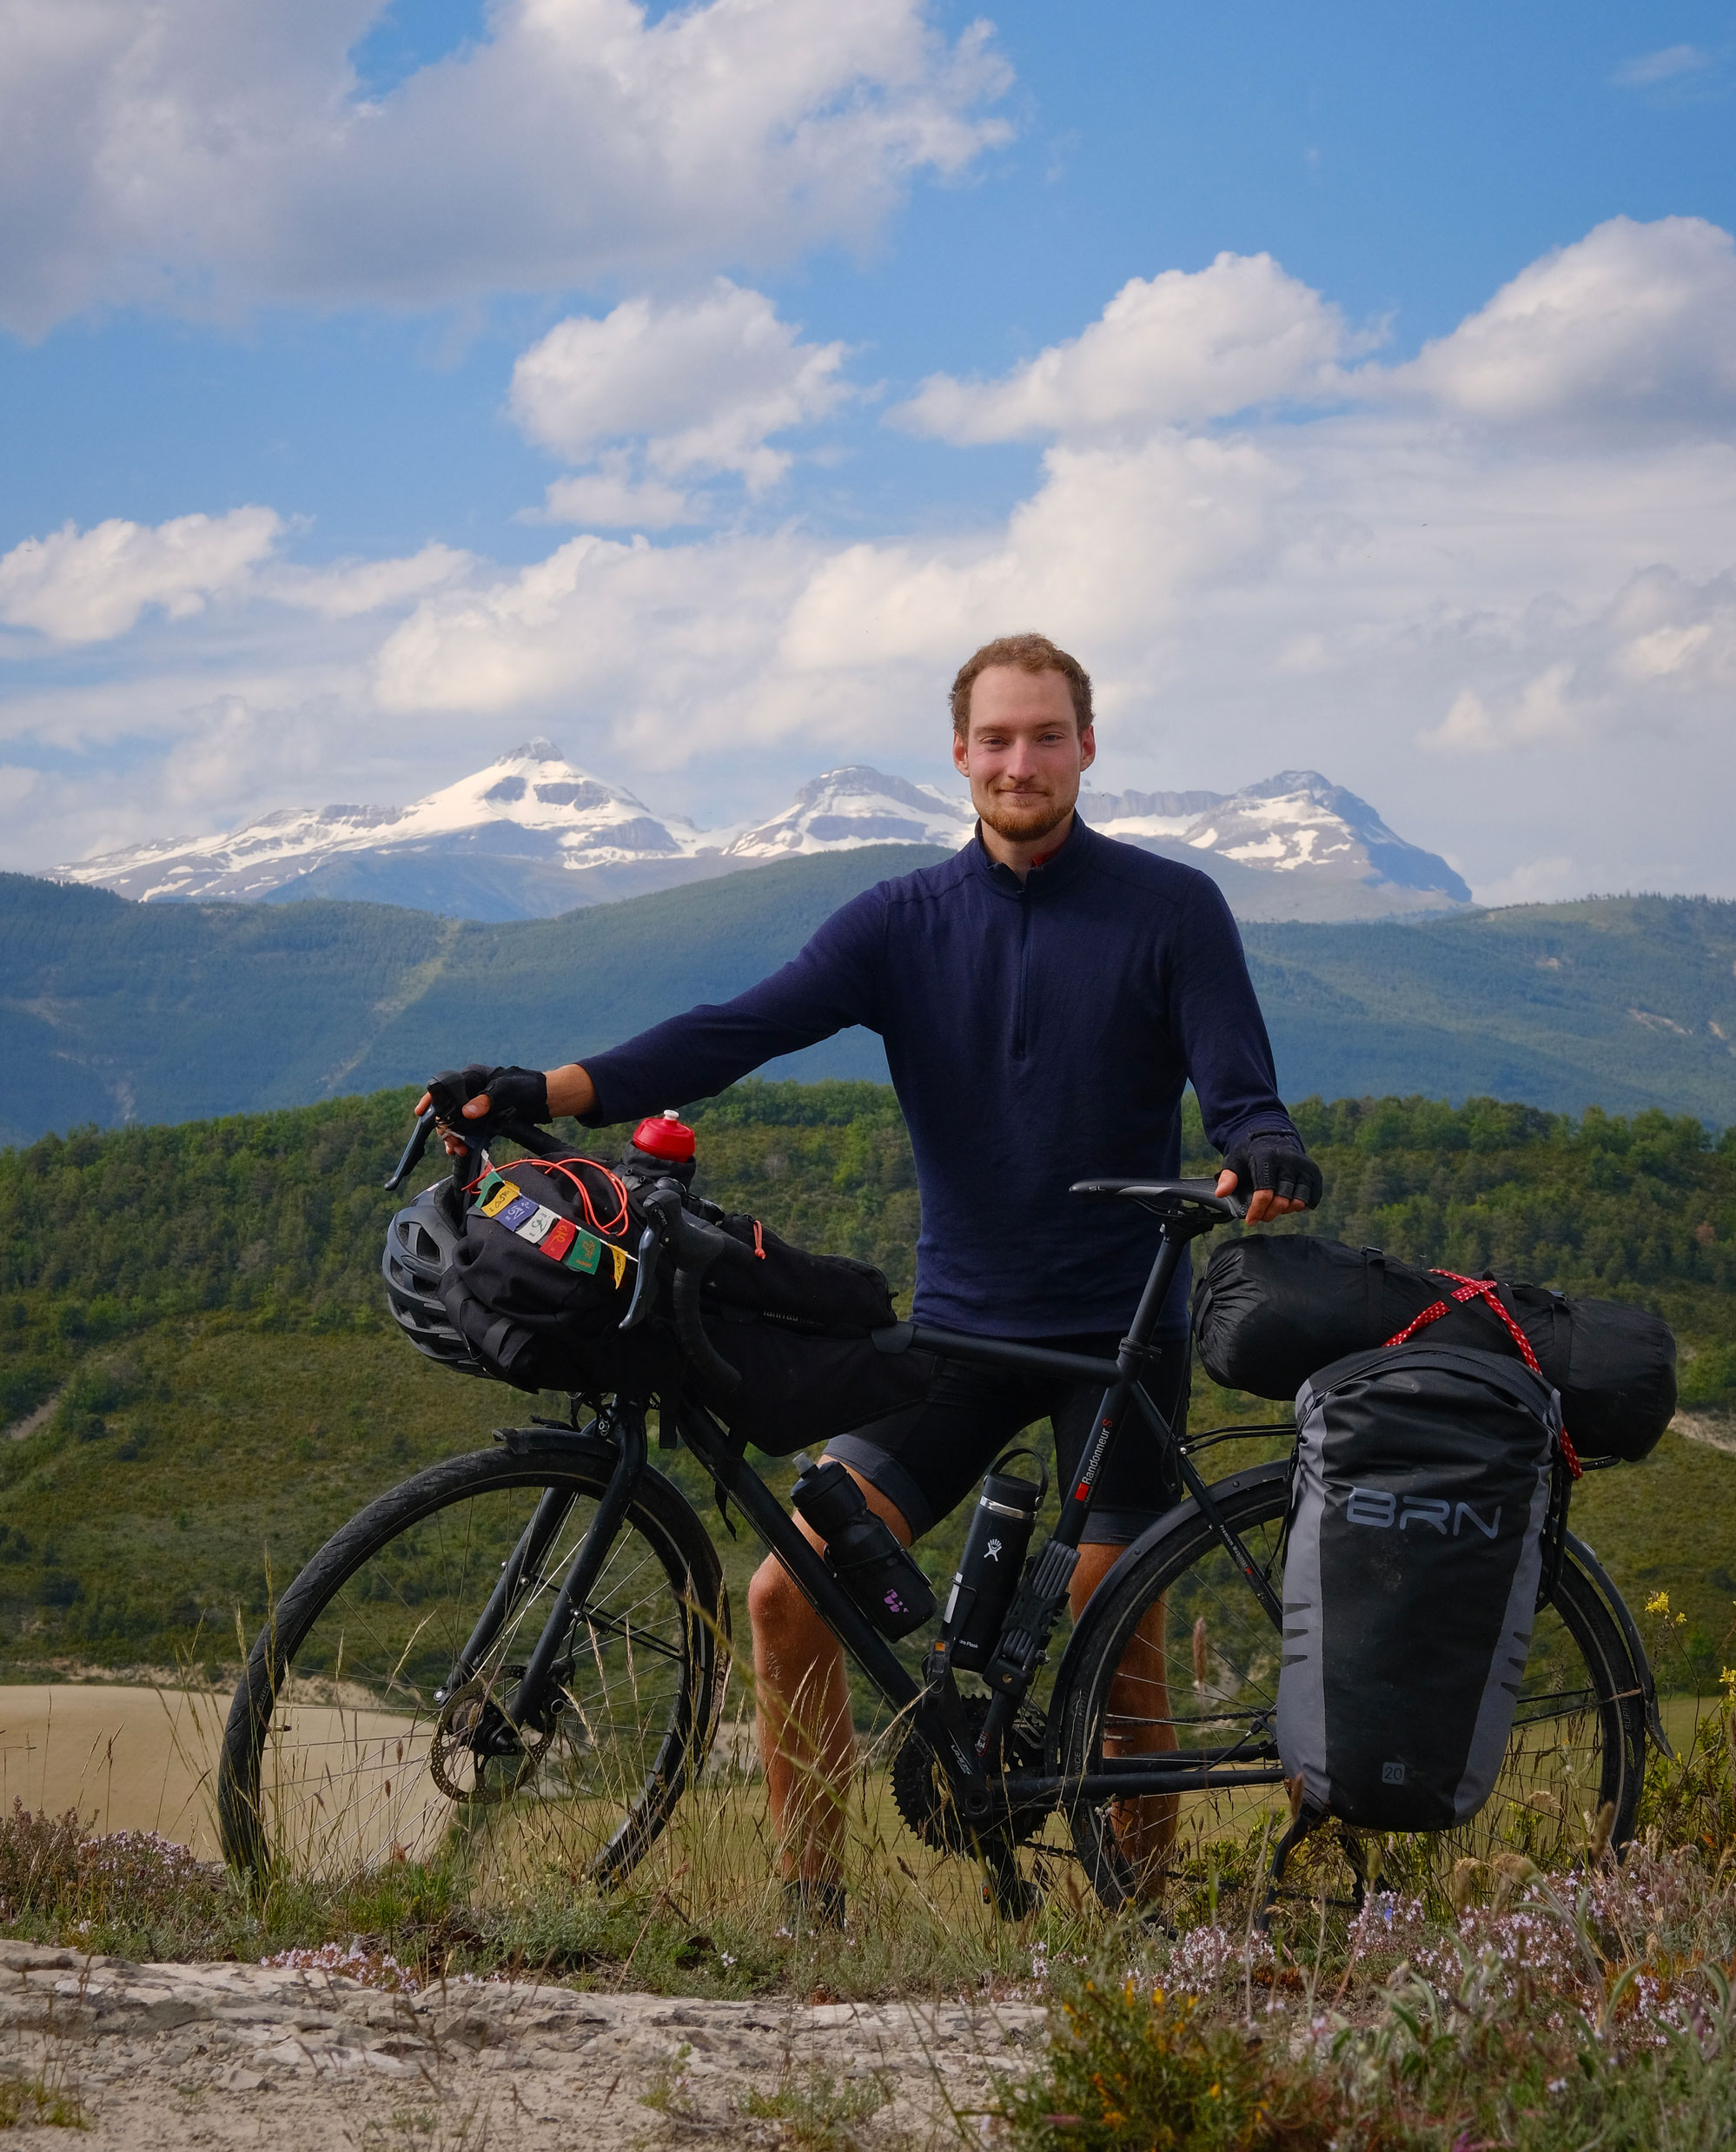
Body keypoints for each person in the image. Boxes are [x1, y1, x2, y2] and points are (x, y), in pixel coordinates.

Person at [423, 631, 1319, 1926]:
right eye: (997, 739)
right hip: (957, 1333)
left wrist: (1262, 1149)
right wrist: (543, 1089)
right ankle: (812, 1911)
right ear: (959, 755)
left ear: (1086, 746)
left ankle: (1145, 1931)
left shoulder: (1171, 909)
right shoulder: (905, 923)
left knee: (1113, 1627)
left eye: (1047, 735)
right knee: (790, 1595)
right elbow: (737, 1029)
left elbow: (1241, 1089)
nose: (1022, 761)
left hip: (1118, 1333)